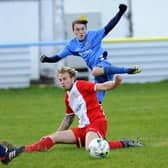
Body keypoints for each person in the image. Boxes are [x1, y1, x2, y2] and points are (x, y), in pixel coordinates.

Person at [22, 67, 143, 155]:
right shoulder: (67, 97)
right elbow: (68, 119)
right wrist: (54, 135)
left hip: (97, 123)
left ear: (72, 78)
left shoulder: (81, 85)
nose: (62, 82)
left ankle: (124, 143)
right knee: (52, 138)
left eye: (64, 79)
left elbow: (103, 86)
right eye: (60, 80)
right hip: (83, 128)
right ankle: (23, 150)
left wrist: (116, 82)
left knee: (91, 148)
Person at [40, 4, 141, 103]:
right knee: (96, 100)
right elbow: (57, 57)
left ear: (86, 29)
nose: (81, 32)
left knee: (95, 71)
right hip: (98, 73)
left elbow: (109, 26)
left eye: (83, 29)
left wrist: (120, 12)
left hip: (103, 64)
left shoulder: (94, 35)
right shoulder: (71, 45)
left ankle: (128, 70)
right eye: (78, 29)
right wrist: (46, 59)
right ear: (73, 31)